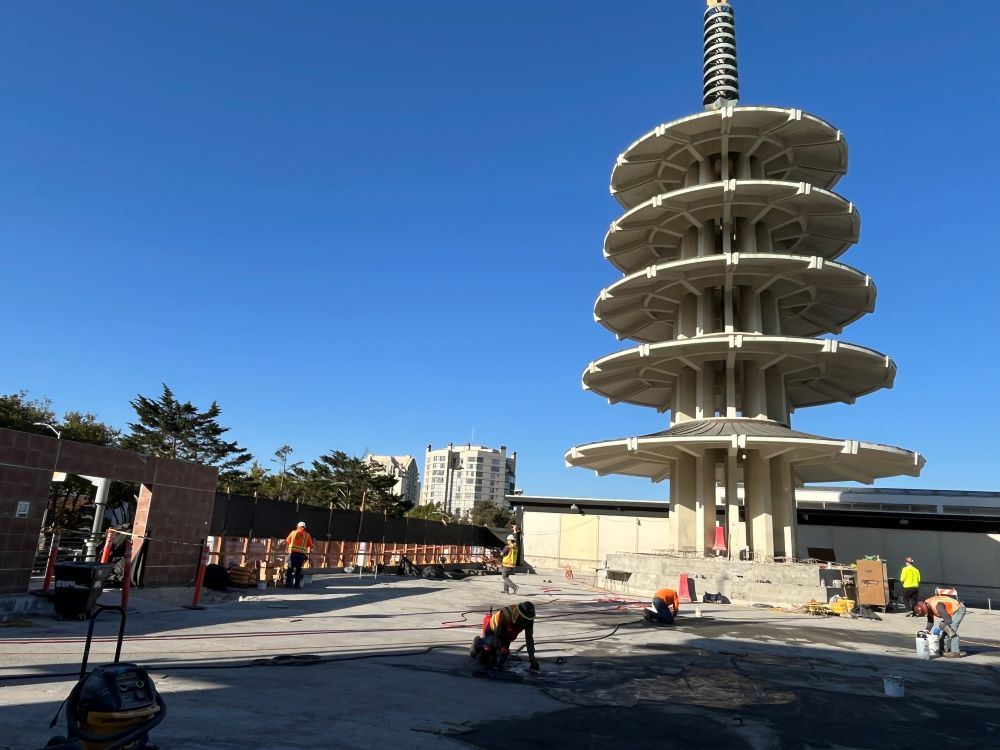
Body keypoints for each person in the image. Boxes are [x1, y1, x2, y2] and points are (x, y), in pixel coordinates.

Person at [469, 601, 539, 671]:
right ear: (519, 615)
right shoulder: (506, 614)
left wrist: (532, 659)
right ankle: (477, 642)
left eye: (528, 620)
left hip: (507, 636)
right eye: (524, 619)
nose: (526, 622)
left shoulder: (529, 620)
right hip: (493, 631)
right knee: (487, 654)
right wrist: (497, 654)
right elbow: (497, 635)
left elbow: (529, 639)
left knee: (502, 656)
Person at [281, 521, 313, 589]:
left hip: (292, 554)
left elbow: (288, 541)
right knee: (298, 571)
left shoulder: (293, 532)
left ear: (298, 526)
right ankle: (296, 586)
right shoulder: (307, 535)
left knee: (290, 570)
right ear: (304, 527)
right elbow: (310, 544)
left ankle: (288, 585)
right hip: (301, 555)